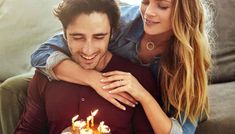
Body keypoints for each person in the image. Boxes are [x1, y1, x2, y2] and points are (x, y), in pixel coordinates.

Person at [2, 0, 214, 133]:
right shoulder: (122, 20)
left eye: (162, 6)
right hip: (92, 74)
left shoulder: (187, 63)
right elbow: (43, 54)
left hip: (164, 103)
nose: (148, 12)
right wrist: (95, 79)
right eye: (146, 1)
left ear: (184, 12)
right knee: (13, 87)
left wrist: (142, 94)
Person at [14, 0, 157, 133]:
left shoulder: (138, 80)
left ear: (112, 33)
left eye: (99, 37)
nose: (88, 50)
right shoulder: (47, 75)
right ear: (64, 33)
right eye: (78, 37)